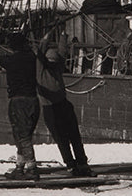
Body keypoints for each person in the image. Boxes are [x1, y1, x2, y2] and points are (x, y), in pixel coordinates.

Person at [35, 29, 94, 177]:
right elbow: (61, 52)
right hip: (61, 105)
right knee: (74, 136)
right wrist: (62, 35)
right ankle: (81, 163)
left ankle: (72, 165)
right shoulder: (57, 66)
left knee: (62, 138)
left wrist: (48, 37)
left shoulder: (42, 68)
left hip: (52, 108)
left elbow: (42, 52)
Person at [0, 31, 41, 181]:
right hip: (33, 100)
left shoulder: (12, 60)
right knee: (25, 135)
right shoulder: (32, 58)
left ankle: (32, 168)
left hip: (18, 101)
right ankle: (19, 168)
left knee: (21, 135)